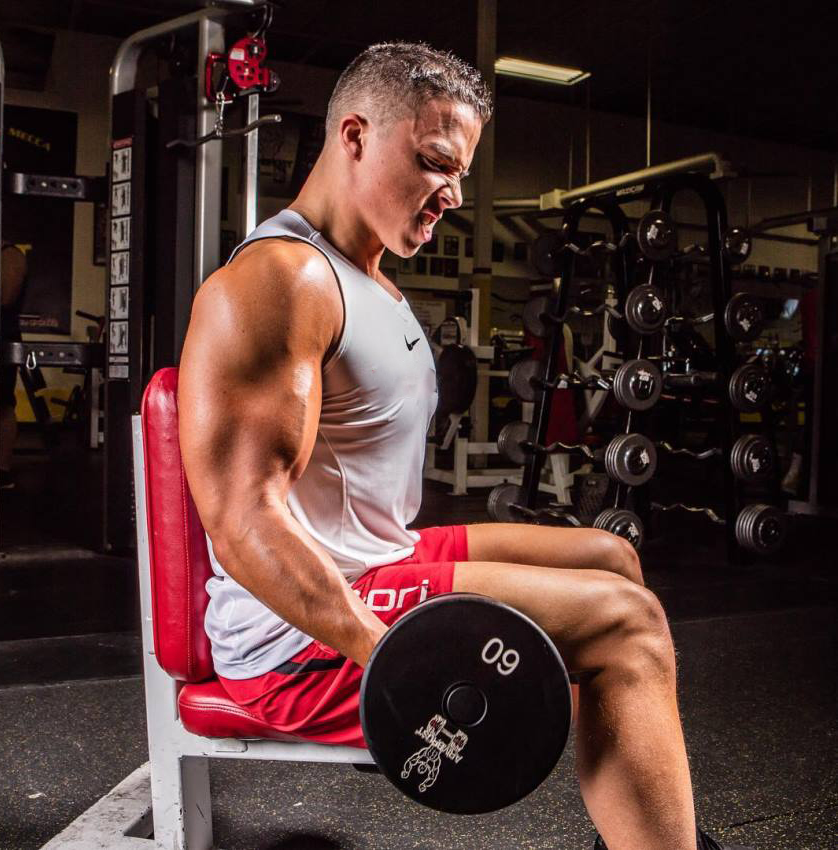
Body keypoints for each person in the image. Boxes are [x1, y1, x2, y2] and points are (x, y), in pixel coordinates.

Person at [179, 42, 748, 850]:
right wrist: (397, 660)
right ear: (353, 135)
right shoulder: (285, 280)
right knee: (630, 625)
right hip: (295, 639)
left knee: (610, 561)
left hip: (377, 555)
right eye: (433, 163)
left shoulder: (371, 275)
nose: (450, 193)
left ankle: (634, 821)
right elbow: (243, 523)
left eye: (459, 174)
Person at [0, 243, 27, 489]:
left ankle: (2, 471)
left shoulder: (11, 255)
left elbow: (6, 297)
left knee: (2, 404)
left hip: (2, 339)